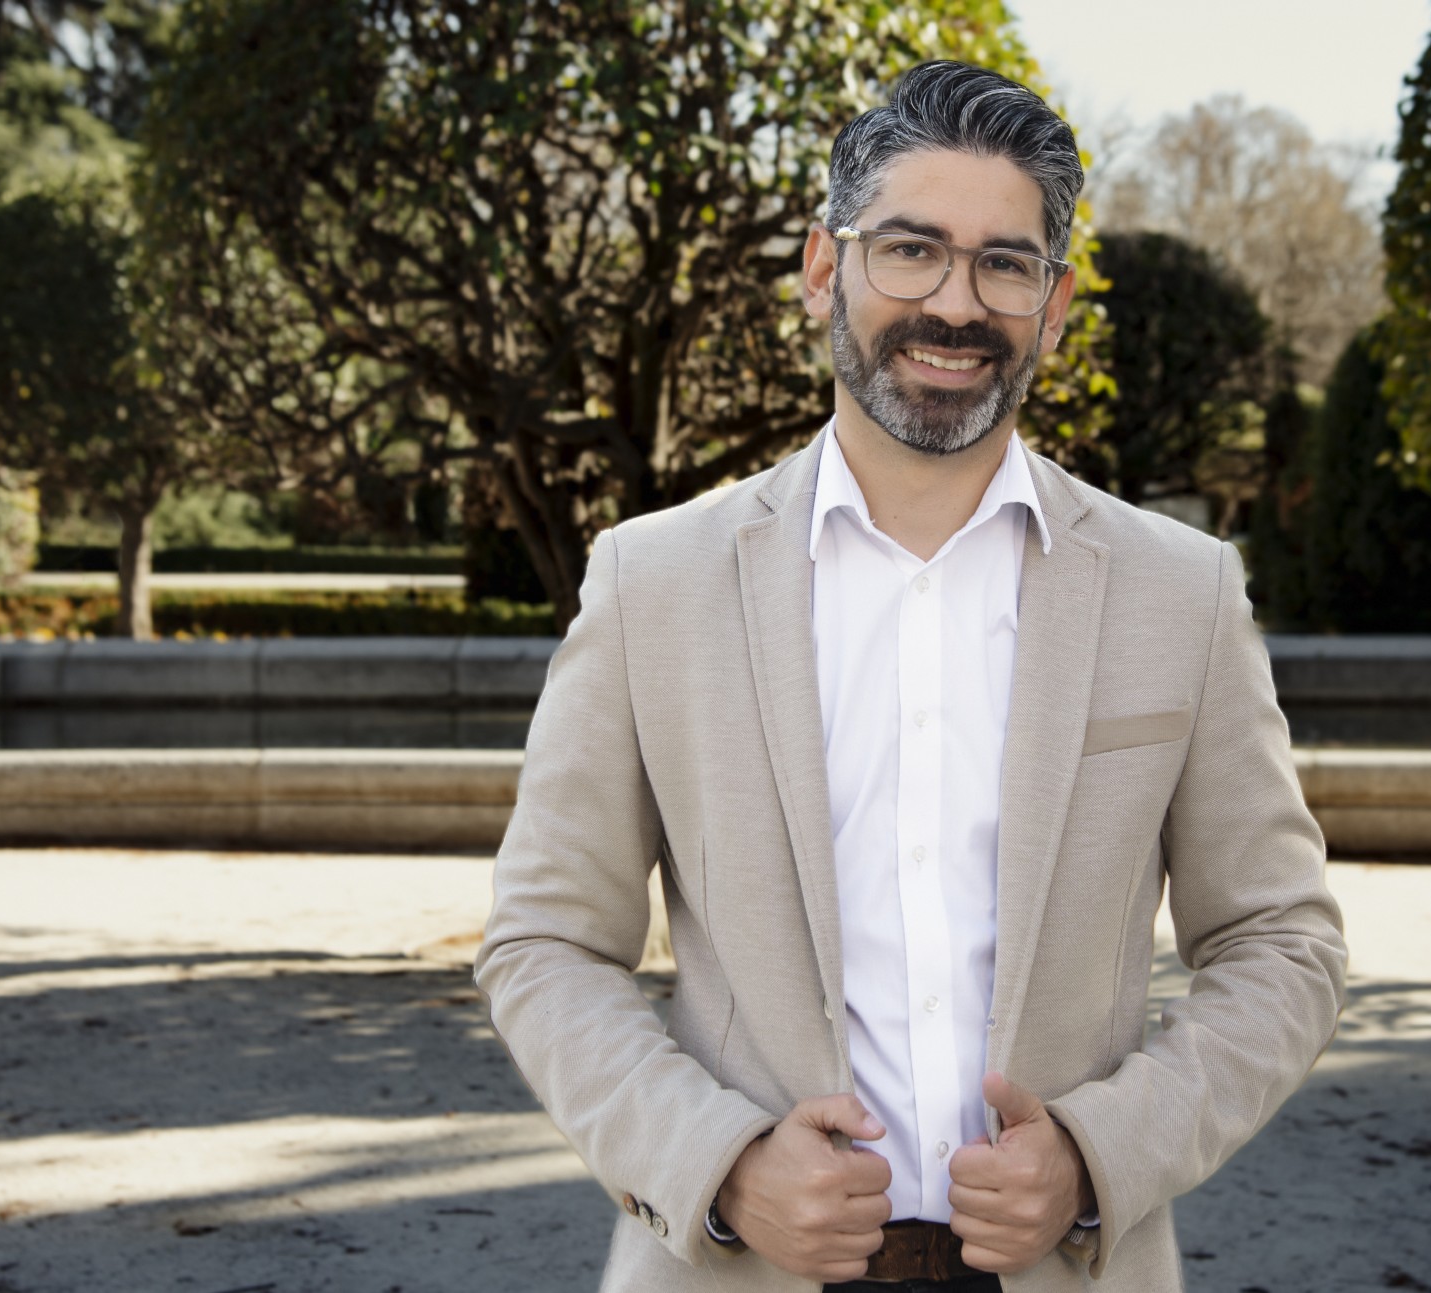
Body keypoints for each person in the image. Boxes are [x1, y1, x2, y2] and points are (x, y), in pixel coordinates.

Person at [475, 60, 1347, 1293]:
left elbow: (1279, 941)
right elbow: (546, 942)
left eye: (1004, 264)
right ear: (822, 268)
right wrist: (716, 1165)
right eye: (909, 250)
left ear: (1053, 305)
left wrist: (1098, 1157)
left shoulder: (1182, 592)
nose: (954, 303)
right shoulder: (650, 581)